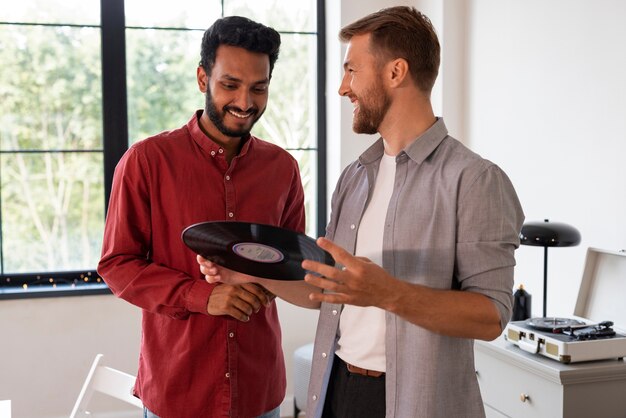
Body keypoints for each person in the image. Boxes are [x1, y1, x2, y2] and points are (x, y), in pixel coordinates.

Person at [199, 6, 524, 418]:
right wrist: (246, 272)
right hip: (336, 391)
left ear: (396, 72)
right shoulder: (354, 178)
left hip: (417, 403)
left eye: (352, 70)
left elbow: (492, 316)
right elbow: (324, 289)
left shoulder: (475, 179)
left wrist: (388, 294)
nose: (342, 87)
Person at [98, 16, 306, 418]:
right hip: (179, 391)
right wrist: (204, 297)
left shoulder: (282, 169)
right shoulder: (146, 162)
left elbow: (291, 265)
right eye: (230, 84)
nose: (245, 102)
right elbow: (116, 264)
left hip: (259, 392)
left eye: (258, 88)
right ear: (202, 77)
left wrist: (263, 283)